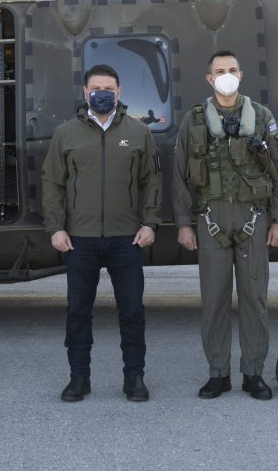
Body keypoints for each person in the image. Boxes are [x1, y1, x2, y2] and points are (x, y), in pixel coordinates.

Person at [172, 50, 278, 400]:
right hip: (211, 220)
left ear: (241, 75)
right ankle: (218, 373)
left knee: (255, 300)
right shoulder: (193, 122)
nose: (226, 75)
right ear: (209, 79)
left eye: (232, 70)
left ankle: (253, 373)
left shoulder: (263, 117)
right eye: (219, 71)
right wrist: (183, 223)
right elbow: (180, 176)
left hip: (254, 217)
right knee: (214, 302)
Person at [42, 63, 162, 403]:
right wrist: (56, 228)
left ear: (119, 92)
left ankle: (134, 377)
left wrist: (150, 223)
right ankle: (79, 377)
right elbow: (52, 183)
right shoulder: (66, 134)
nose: (102, 93)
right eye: (96, 88)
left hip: (127, 238)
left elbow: (151, 182)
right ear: (85, 92)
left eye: (109, 88)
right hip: (79, 239)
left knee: (132, 311)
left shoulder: (139, 133)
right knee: (78, 310)